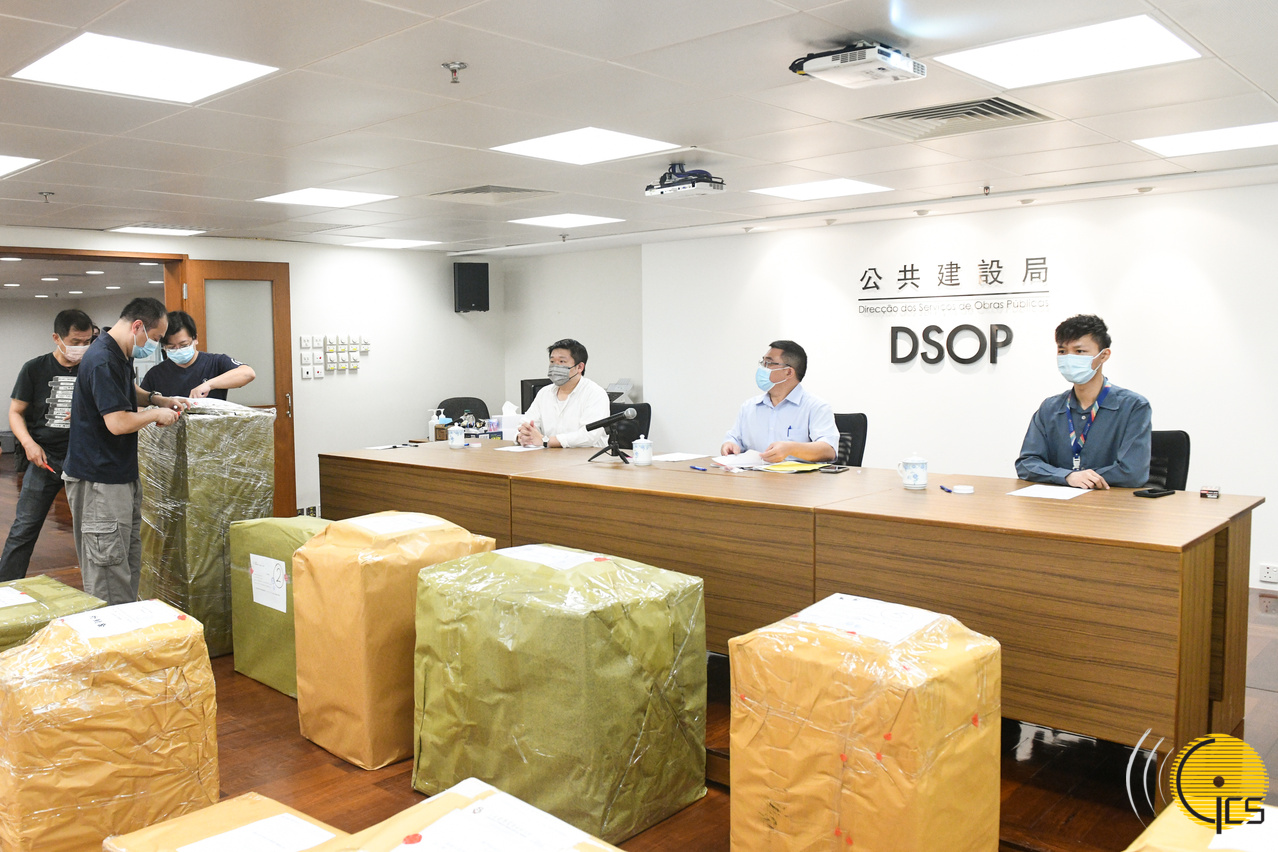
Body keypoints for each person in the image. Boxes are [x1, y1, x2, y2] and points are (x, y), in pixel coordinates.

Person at [62, 297, 187, 605]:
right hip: (98, 481)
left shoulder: (119, 352)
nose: (154, 346)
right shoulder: (102, 359)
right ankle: (111, 632)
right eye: (155, 338)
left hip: (119, 474)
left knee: (126, 562)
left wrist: (157, 399)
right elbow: (118, 423)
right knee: (108, 571)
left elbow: (126, 391)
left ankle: (126, 626)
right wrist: (155, 415)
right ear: (137, 326)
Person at [0, 310, 95, 582]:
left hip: (85, 459)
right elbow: (15, 412)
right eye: (75, 342)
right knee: (24, 527)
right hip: (45, 459)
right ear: (57, 338)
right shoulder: (34, 368)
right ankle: (6, 586)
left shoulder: (94, 367)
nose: (81, 348)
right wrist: (28, 443)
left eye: (87, 342)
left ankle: (96, 587)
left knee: (94, 530)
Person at [1015, 314, 1151, 489]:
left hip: (1110, 502)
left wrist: (1082, 478)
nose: (1069, 358)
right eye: (1062, 351)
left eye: (1079, 351)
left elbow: (1133, 472)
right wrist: (1067, 476)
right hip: (1057, 502)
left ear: (1104, 355)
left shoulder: (1133, 406)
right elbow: (1026, 463)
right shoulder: (1050, 408)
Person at [721, 340, 839, 463]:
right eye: (762, 362)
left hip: (797, 475)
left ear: (788, 372)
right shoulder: (749, 406)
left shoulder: (816, 407)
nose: (762, 368)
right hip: (754, 474)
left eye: (768, 363)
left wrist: (791, 448)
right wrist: (730, 445)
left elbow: (829, 450)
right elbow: (734, 439)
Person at [140, 310, 255, 400]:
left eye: (183, 345)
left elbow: (248, 374)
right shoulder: (155, 374)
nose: (178, 350)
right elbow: (140, 405)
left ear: (195, 339)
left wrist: (209, 385)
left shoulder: (215, 362)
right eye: (171, 347)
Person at [517, 339, 610, 449]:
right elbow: (525, 424)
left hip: (587, 457)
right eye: (552, 362)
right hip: (549, 456)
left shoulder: (595, 393)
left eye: (562, 362)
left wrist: (546, 441)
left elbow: (588, 436)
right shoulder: (544, 393)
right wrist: (523, 436)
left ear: (580, 367)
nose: (555, 367)